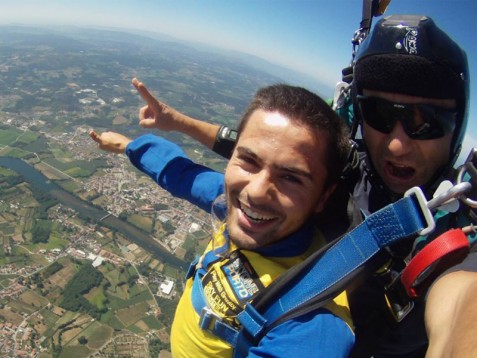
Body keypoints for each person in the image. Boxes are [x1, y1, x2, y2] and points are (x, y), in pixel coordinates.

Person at [128, 15, 476, 357]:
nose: (397, 145)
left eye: (426, 123)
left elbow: (464, 305)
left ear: (456, 126)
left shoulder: (461, 234)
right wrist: (175, 125)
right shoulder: (346, 172)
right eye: (380, 115)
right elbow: (263, 155)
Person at [90, 84, 355, 357]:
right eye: (249, 160)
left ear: (323, 196)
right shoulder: (233, 202)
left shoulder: (313, 322)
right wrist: (128, 145)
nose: (255, 192)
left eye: (290, 177)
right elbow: (183, 175)